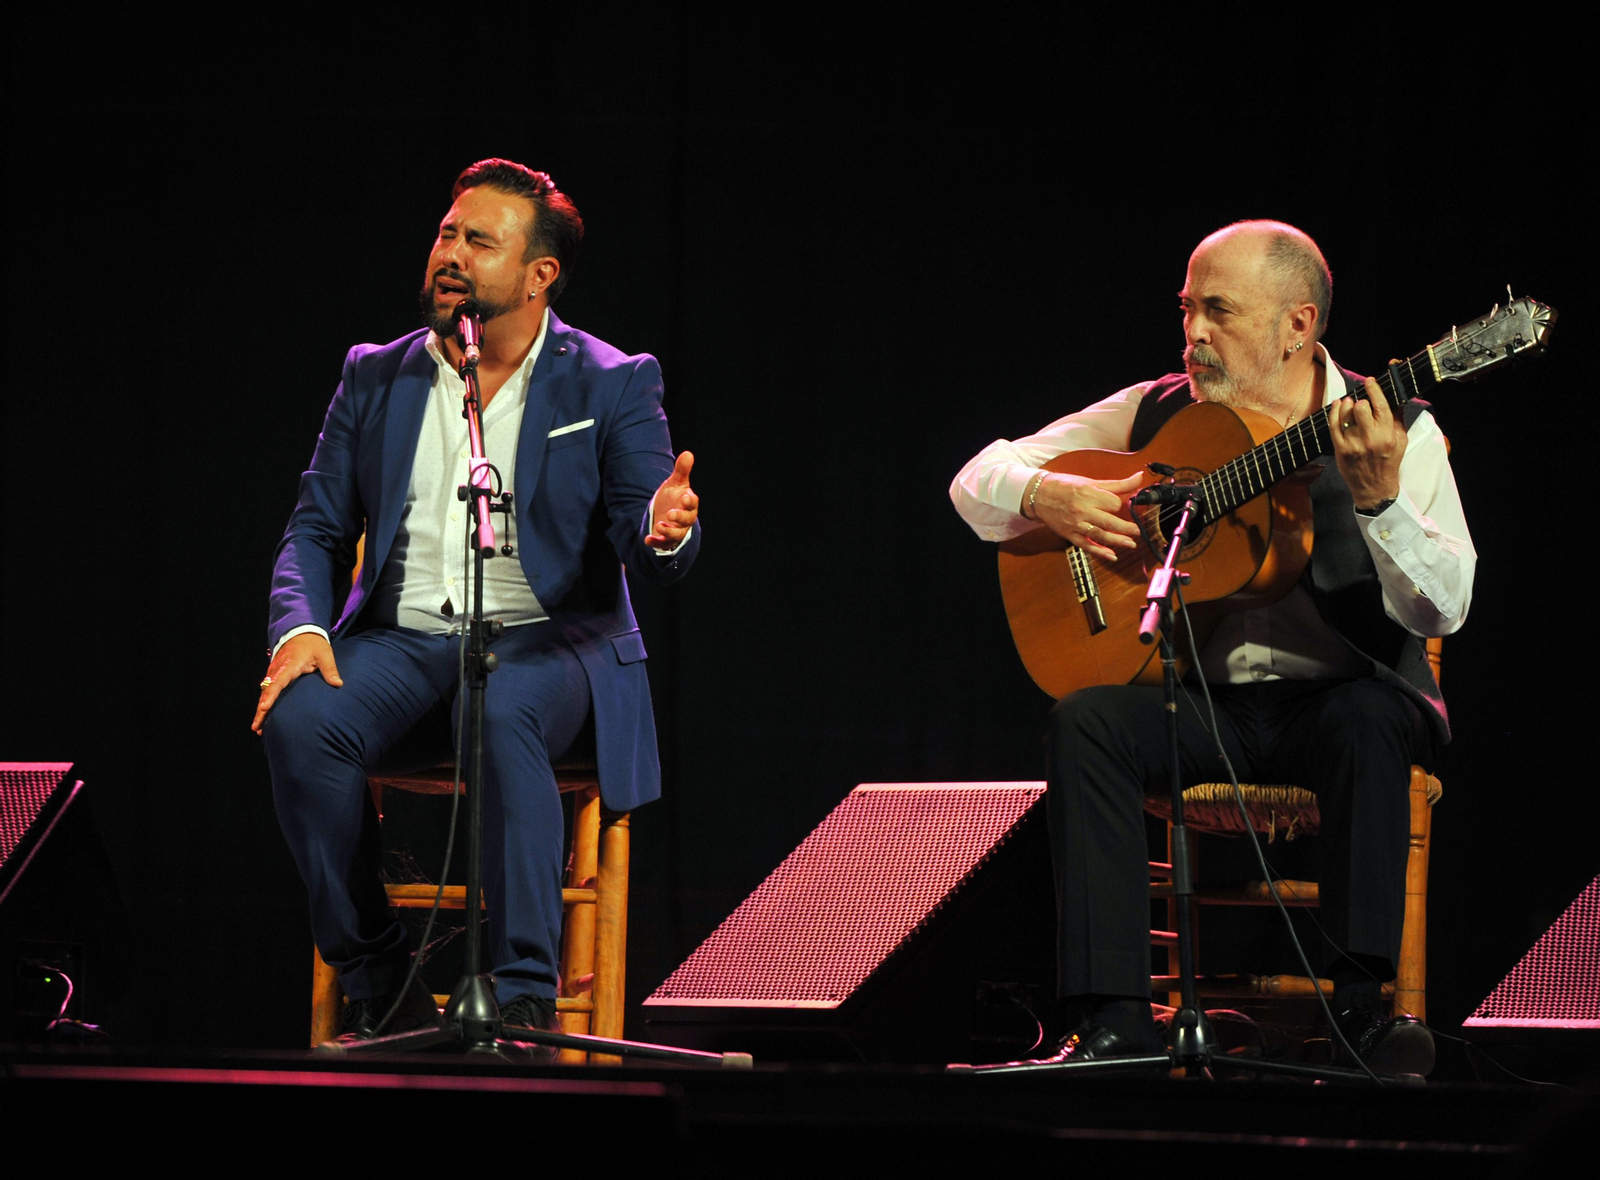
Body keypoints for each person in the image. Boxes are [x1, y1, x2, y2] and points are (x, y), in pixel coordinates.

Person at [950, 220, 1473, 1075]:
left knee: (1375, 719)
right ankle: (1116, 1021)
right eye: (1188, 309)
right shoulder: (1155, 411)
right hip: (1199, 706)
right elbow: (976, 479)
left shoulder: (1394, 426)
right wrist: (1048, 495)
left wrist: (1380, 506)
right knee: (1086, 721)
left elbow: (1445, 607)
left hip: (1332, 703)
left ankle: (1361, 1018)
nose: (1192, 333)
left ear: (1297, 326)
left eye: (1218, 312)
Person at [252, 159, 701, 1044]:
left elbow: (645, 528)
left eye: (479, 241)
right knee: (302, 721)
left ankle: (522, 993)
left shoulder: (610, 381)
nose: (451, 254)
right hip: (407, 639)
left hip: (552, 644)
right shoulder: (375, 376)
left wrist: (663, 529)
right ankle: (378, 975)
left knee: (500, 712)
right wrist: (299, 629)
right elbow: (315, 526)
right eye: (447, 234)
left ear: (541, 276)